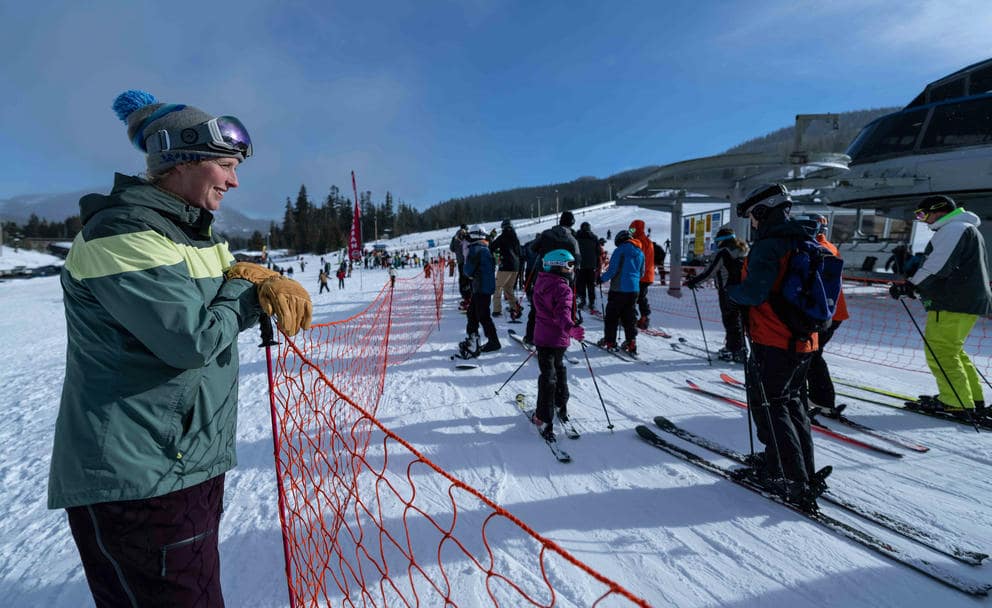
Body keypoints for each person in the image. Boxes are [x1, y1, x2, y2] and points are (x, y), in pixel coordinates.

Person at [49, 89, 312, 607]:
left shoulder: (194, 234)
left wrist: (251, 278)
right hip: (139, 475)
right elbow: (190, 339)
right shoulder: (122, 231)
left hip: (184, 461)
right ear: (179, 161)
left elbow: (223, 290)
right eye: (224, 165)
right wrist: (245, 286)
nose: (233, 181)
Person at [727, 183, 819, 510]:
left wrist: (732, 291)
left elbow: (753, 293)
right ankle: (801, 470)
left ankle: (787, 475)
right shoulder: (804, 238)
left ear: (764, 212)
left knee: (770, 405)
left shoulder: (769, 246)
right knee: (793, 404)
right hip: (804, 340)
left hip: (773, 339)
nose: (752, 223)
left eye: (753, 216)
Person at [889, 195, 992, 416]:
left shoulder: (954, 229)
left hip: (953, 300)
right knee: (952, 350)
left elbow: (938, 265)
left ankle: (955, 401)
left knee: (941, 350)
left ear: (938, 211)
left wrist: (910, 285)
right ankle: (971, 398)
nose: (923, 220)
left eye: (923, 214)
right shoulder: (963, 228)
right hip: (964, 298)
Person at [796, 214, 850, 418]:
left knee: (808, 355)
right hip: (831, 312)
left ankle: (820, 399)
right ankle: (820, 398)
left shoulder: (818, 248)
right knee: (810, 355)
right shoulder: (824, 246)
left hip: (823, 313)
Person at [531, 249, 585, 441]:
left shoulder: (540, 282)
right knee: (555, 372)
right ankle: (548, 414)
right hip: (558, 339)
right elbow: (562, 314)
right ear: (559, 266)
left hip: (543, 338)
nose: (573, 269)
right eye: (570, 265)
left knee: (550, 372)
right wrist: (571, 328)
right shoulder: (563, 288)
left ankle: (554, 407)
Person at [685, 225, 748, 362]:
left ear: (721, 240)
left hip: (727, 290)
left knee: (730, 320)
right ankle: (740, 348)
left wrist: (693, 282)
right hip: (743, 290)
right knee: (739, 320)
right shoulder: (743, 251)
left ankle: (734, 350)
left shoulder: (722, 253)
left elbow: (710, 272)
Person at [525, 211, 581, 344]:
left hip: (544, 275)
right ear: (572, 223)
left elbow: (532, 248)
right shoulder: (572, 240)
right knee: (563, 306)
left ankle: (530, 337)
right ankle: (561, 336)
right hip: (564, 277)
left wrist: (544, 251)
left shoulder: (546, 234)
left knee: (538, 307)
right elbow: (578, 261)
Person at [597, 230, 644, 354]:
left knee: (612, 316)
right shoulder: (640, 252)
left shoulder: (620, 251)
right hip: (634, 290)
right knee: (630, 317)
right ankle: (631, 342)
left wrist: (600, 279)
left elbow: (612, 270)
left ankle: (610, 341)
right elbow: (642, 272)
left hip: (619, 289)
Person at [462, 226, 501, 354]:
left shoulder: (475, 249)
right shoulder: (485, 248)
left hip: (480, 287)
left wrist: (470, 274)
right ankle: (473, 338)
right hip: (485, 286)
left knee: (482, 315)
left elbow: (468, 270)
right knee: (472, 313)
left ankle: (493, 341)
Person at [490, 219, 523, 319]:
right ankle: (515, 307)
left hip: (505, 266)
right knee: (508, 288)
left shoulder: (502, 237)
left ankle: (497, 310)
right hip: (516, 267)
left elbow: (492, 247)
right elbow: (520, 253)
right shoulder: (515, 238)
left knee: (497, 288)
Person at [628, 220, 655, 329]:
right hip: (647, 275)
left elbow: (637, 258)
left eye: (633, 229)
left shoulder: (639, 241)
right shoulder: (648, 240)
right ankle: (644, 317)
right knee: (641, 297)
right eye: (630, 229)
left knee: (633, 297)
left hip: (640, 275)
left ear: (638, 229)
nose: (631, 231)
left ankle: (633, 317)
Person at [574, 221, 602, 312]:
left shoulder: (576, 237)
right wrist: (598, 265)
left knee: (581, 283)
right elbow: (599, 252)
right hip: (591, 265)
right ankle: (592, 302)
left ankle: (582, 300)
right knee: (590, 285)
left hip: (580, 265)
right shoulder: (594, 238)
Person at [449, 224, 471, 310]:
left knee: (462, 278)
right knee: (468, 277)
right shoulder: (467, 235)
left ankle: (464, 294)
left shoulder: (455, 237)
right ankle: (469, 295)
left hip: (460, 261)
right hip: (468, 260)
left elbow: (452, 248)